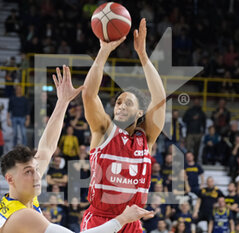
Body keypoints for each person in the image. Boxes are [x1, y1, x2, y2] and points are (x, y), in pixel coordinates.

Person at [0, 66, 153, 233]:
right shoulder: (22, 216)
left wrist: (62, 102)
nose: (37, 175)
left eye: (36, 169)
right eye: (28, 172)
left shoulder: (20, 197)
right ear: (10, 179)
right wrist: (123, 219)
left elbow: (47, 147)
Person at [80, 19, 166, 232]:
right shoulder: (103, 130)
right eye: (118, 102)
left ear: (139, 113)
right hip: (101, 219)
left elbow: (160, 98)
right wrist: (104, 51)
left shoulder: (145, 138)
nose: (120, 106)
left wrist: (143, 56)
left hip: (131, 222)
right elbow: (89, 94)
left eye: (128, 103)